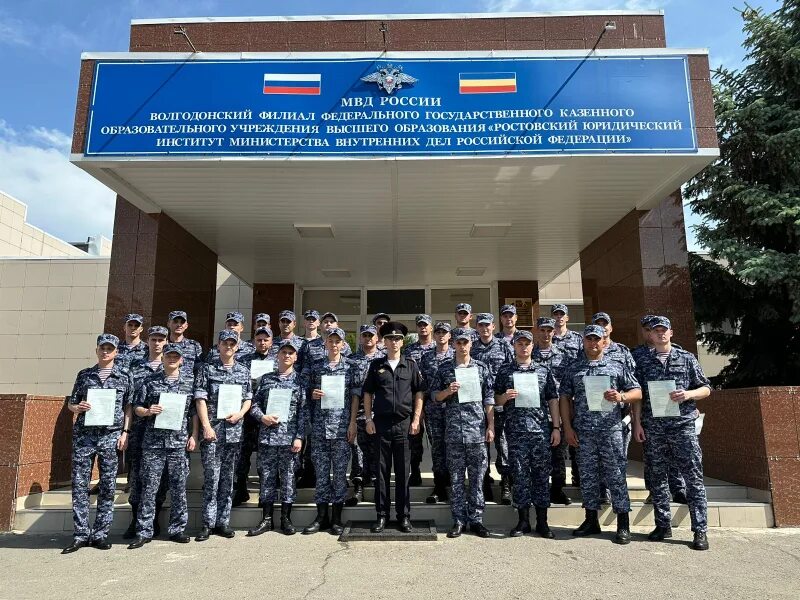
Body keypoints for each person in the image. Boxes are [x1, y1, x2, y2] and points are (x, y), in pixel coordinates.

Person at [633, 316, 712, 551]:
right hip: (654, 428)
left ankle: (700, 530)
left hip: (682, 427)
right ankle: (662, 524)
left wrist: (688, 395)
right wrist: (637, 423)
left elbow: (706, 388)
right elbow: (637, 395)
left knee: (693, 478)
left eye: (663, 331)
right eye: (655, 331)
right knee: (657, 478)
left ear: (671, 333)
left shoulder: (686, 358)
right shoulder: (642, 361)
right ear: (651, 335)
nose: (660, 334)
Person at [560, 325, 641, 545]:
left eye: (597, 339)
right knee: (587, 476)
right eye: (589, 339)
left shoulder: (617, 366)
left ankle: (623, 523)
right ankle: (590, 520)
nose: (593, 343)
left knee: (615, 476)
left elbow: (637, 391)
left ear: (605, 342)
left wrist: (622, 396)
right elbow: (565, 399)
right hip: (584, 432)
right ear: (583, 341)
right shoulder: (573, 368)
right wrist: (567, 428)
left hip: (610, 430)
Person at [62, 334, 134, 554]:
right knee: (80, 485)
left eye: (110, 349)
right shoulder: (84, 375)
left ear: (116, 352)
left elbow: (128, 407)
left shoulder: (124, 375)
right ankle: (81, 534)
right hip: (85, 436)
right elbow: (71, 403)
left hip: (111, 436)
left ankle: (101, 533)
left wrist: (125, 433)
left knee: (107, 485)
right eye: (102, 348)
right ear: (97, 351)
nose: (106, 352)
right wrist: (76, 408)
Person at [128, 344, 197, 549]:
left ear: (182, 360)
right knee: (149, 487)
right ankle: (144, 531)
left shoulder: (189, 384)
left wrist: (194, 435)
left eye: (176, 356)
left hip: (178, 443)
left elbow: (194, 412)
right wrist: (148, 411)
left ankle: (177, 529)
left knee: (178, 488)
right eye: (169, 356)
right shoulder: (149, 382)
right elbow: (136, 408)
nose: (172, 359)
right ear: (163, 358)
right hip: (154, 443)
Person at [494, 330, 561, 538]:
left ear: (532, 346)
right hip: (515, 432)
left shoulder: (542, 370)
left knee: (541, 476)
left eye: (527, 344)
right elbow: (495, 400)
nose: (523, 347)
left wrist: (556, 428)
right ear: (513, 345)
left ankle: (543, 522)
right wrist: (504, 397)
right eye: (520, 343)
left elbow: (552, 399)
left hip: (540, 431)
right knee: (520, 476)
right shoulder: (505, 371)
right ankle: (523, 521)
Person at [359, 321, 424, 533]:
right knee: (381, 472)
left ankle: (404, 516)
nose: (394, 342)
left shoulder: (411, 365)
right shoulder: (376, 366)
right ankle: (381, 516)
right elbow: (367, 393)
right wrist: (368, 419)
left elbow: (419, 393)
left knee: (404, 473)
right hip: (381, 425)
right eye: (390, 338)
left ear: (402, 341)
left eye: (397, 339)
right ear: (383, 341)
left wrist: (416, 420)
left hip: (404, 425)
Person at [431, 331, 494, 538]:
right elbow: (434, 396)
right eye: (458, 342)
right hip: (454, 433)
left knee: (477, 479)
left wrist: (490, 426)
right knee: (457, 479)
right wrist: (447, 391)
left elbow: (489, 400)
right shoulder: (445, 369)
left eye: (465, 342)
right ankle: (458, 520)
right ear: (454, 344)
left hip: (476, 431)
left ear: (471, 343)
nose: (462, 346)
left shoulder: (482, 368)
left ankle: (476, 520)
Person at [193, 330, 253, 541]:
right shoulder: (207, 370)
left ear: (237, 346)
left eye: (232, 343)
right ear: (218, 345)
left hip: (234, 431)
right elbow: (200, 399)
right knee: (211, 478)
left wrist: (240, 414)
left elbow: (248, 398)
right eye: (224, 343)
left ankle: (222, 522)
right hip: (213, 432)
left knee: (228, 479)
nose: (228, 346)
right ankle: (207, 524)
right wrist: (206, 427)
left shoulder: (243, 371)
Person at [247, 339, 305, 536]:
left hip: (289, 439)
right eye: (283, 352)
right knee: (267, 478)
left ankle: (286, 519)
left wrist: (299, 437)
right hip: (268, 438)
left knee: (288, 478)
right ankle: (267, 519)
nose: (287, 355)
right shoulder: (265, 379)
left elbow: (303, 413)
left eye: (291, 353)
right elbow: (253, 405)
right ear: (277, 355)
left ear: (296, 357)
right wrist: (262, 417)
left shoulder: (300, 381)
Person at [303, 328, 359, 535]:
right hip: (319, 427)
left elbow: (355, 396)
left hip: (342, 427)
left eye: (338, 341)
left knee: (339, 475)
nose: (334, 344)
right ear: (325, 343)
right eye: (331, 341)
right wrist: (312, 394)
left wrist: (353, 423)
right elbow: (302, 392)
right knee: (321, 474)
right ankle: (321, 518)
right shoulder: (316, 367)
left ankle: (336, 518)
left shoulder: (350, 367)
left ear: (343, 344)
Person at [632, 315, 687, 504]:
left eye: (655, 329)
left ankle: (678, 489)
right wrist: (636, 421)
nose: (652, 332)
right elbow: (636, 389)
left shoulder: (679, 354)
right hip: (650, 415)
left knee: (675, 455)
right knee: (652, 457)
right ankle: (654, 490)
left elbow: (695, 385)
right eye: (648, 329)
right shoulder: (636, 354)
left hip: (675, 415)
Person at [123, 326, 168, 540]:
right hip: (139, 431)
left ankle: (154, 519)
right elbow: (130, 403)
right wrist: (126, 429)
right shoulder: (135, 368)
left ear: (166, 342)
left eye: (161, 339)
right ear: (147, 341)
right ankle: (135, 520)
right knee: (137, 476)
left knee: (159, 479)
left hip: (162, 434)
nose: (157, 343)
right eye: (153, 339)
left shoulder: (172, 366)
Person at [233, 325, 279, 506]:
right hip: (247, 414)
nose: (262, 342)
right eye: (259, 339)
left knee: (265, 456)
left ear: (271, 342)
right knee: (243, 454)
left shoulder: (277, 361)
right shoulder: (244, 360)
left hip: (268, 414)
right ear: (254, 341)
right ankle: (241, 489)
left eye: (266, 339)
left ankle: (265, 493)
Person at [470, 312, 513, 504]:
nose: (484, 328)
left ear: (493, 327)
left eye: (487, 325)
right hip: (478, 405)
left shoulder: (504, 346)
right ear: (476, 327)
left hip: (501, 403)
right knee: (482, 446)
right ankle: (484, 482)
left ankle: (506, 484)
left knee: (503, 445)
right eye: (481, 325)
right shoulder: (472, 347)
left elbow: (512, 371)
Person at [533, 317, 573, 506]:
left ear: (554, 332)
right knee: (537, 454)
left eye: (549, 330)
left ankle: (557, 489)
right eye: (542, 330)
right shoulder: (528, 354)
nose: (546, 334)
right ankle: (538, 490)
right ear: (537, 331)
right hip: (535, 413)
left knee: (559, 454)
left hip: (559, 411)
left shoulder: (564, 356)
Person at [347, 324, 386, 506]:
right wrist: (352, 420)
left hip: (380, 413)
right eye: (365, 335)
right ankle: (358, 487)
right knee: (358, 451)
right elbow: (353, 391)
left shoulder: (383, 359)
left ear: (377, 338)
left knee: (378, 452)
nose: (368, 338)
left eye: (371, 335)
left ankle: (380, 489)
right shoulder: (352, 360)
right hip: (359, 413)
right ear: (360, 338)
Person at [418, 322, 455, 504]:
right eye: (438, 332)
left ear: (450, 336)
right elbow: (422, 386)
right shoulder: (426, 358)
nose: (441, 335)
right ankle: (439, 485)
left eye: (444, 332)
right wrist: (421, 410)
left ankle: (452, 485)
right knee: (437, 448)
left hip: (454, 410)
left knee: (453, 447)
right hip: (433, 409)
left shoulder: (457, 356)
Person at [403, 314, 435, 486]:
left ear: (431, 328)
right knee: (413, 438)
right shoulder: (408, 351)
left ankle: (440, 475)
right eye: (420, 325)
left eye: (426, 325)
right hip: (413, 399)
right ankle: (415, 470)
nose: (423, 328)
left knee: (436, 440)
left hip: (436, 402)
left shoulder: (440, 348)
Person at [167, 310, 204, 378]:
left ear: (186, 326)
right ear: (168, 323)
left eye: (182, 322)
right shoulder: (162, 345)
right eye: (175, 321)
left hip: (186, 386)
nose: (179, 325)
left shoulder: (194, 346)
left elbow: (199, 369)